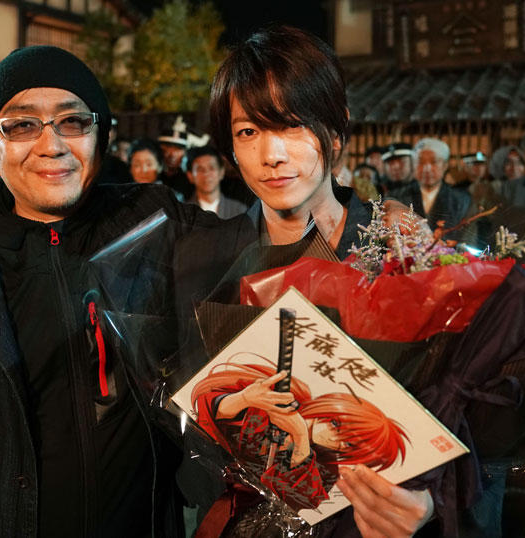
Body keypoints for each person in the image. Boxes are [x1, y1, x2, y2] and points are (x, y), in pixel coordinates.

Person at [0, 45, 216, 537]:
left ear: (101, 138)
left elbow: (267, 243)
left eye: (73, 122)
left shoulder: (153, 224)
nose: (51, 145)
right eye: (22, 125)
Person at [173, 26, 434, 538]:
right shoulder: (204, 262)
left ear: (336, 132)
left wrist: (430, 500)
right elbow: (188, 423)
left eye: (292, 125)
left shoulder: (401, 251)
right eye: (248, 132)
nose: (271, 154)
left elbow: (465, 420)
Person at [192, 359, 408, 512]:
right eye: (336, 425)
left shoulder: (327, 468)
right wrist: (244, 399)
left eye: (349, 444)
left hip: (252, 515)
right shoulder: (284, 393)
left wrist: (301, 438)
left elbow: (301, 501)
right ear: (330, 409)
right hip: (205, 473)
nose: (336, 440)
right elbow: (205, 403)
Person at [391, 138, 471, 241]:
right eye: (420, 162)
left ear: (445, 165)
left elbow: (467, 238)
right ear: (413, 165)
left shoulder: (462, 199)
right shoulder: (396, 196)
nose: (427, 169)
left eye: (434, 162)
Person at [184, 145, 247, 218]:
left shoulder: (239, 210)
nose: (206, 174)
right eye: (200, 169)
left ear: (221, 172)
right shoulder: (183, 213)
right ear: (190, 176)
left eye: (211, 168)